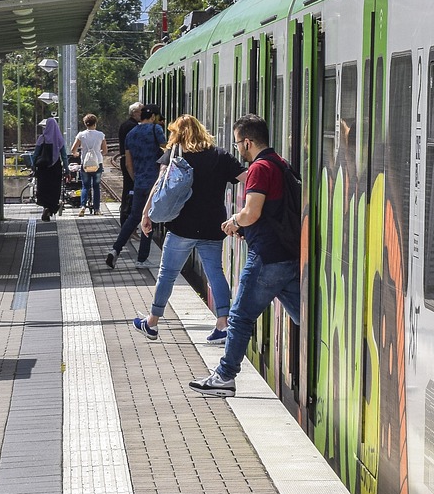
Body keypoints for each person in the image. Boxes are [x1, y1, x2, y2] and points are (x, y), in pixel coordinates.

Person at [191, 115, 300, 397]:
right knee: (304, 314)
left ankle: (225, 376)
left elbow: (252, 212)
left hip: (266, 257)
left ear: (248, 142)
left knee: (239, 317)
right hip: (286, 256)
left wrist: (235, 222)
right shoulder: (279, 163)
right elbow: (272, 211)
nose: (238, 148)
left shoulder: (259, 168)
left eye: (238, 143)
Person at [130, 114, 236, 342]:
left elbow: (160, 185)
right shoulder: (220, 155)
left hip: (182, 226)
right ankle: (223, 325)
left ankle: (152, 323)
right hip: (212, 225)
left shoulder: (175, 155)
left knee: (167, 274)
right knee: (215, 272)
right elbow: (248, 177)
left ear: (177, 134)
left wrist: (146, 213)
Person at [108, 104, 165, 268]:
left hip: (139, 181)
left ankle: (115, 250)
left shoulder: (131, 134)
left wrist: (136, 178)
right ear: (153, 117)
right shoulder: (156, 130)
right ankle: (141, 259)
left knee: (134, 217)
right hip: (155, 181)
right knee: (149, 218)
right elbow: (166, 149)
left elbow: (128, 163)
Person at [69, 114, 107, 216]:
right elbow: (105, 150)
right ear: (95, 123)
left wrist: (77, 154)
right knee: (96, 187)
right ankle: (97, 209)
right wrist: (98, 154)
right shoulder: (100, 135)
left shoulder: (81, 135)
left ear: (85, 124)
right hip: (97, 164)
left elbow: (73, 150)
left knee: (85, 186)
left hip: (85, 165)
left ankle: (82, 207)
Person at [31, 117, 66, 220]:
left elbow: (35, 154)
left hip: (43, 168)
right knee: (54, 189)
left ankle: (46, 207)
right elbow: (64, 155)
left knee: (44, 188)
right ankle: (51, 207)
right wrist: (67, 169)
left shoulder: (42, 138)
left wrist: (33, 166)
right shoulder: (59, 139)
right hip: (55, 168)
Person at [115, 101, 142, 226]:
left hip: (126, 159)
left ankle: (126, 221)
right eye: (142, 111)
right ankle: (127, 221)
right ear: (135, 112)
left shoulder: (126, 124)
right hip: (129, 160)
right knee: (130, 191)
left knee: (128, 190)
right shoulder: (132, 126)